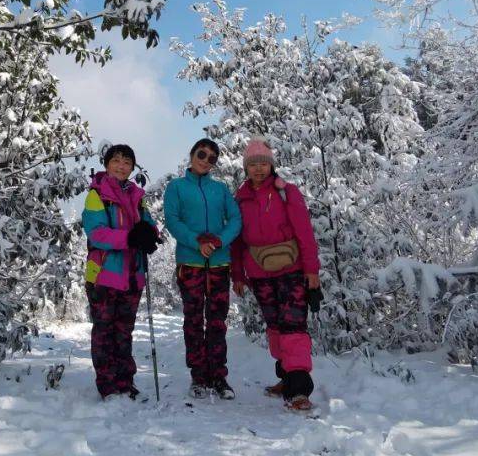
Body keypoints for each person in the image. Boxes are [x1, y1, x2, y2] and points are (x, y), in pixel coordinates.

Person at [231, 138, 321, 412]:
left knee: (293, 326)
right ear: (246, 168)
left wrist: (311, 270)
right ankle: (287, 379)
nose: (258, 169)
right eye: (253, 164)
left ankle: (299, 391)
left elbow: (304, 232)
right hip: (259, 273)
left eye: (263, 163)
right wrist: (238, 274)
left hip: (291, 270)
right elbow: (236, 240)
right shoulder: (240, 199)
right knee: (275, 327)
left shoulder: (286, 192)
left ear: (271, 165)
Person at [162, 139, 243, 399]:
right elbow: (173, 221)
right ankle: (198, 376)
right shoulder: (176, 188)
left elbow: (236, 219)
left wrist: (219, 241)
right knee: (194, 321)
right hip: (190, 264)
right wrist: (197, 241)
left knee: (217, 322)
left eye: (212, 158)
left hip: (219, 264)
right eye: (202, 154)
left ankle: (219, 377)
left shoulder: (220, 189)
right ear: (192, 153)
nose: (206, 160)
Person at [82, 144, 160, 400]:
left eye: (127, 162)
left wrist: (150, 235)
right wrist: (131, 238)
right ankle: (107, 385)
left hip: (131, 276)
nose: (121, 165)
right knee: (104, 332)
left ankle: (125, 382)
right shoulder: (97, 195)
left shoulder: (137, 196)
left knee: (124, 333)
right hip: (104, 274)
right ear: (107, 164)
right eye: (116, 160)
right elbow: (97, 233)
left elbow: (147, 226)